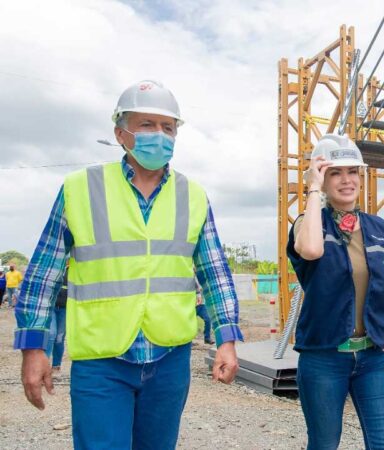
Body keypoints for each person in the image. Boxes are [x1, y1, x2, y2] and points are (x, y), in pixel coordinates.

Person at [14, 80, 242, 450]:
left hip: (169, 359)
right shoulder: (81, 188)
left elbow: (215, 273)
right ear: (121, 134)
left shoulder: (193, 195)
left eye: (168, 127)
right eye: (147, 125)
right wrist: (33, 347)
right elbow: (43, 274)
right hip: (102, 360)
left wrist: (227, 340)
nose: (159, 135)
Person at [287, 133, 384, 450]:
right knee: (325, 444)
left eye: (352, 171)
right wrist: (313, 190)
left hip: (374, 355)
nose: (346, 180)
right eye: (335, 173)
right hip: (324, 356)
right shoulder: (307, 224)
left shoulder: (377, 227)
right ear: (322, 179)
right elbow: (311, 250)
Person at [46, 271, 68, 376]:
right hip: (51, 307)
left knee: (59, 338)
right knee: (51, 334)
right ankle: (44, 366)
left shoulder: (72, 270)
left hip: (66, 308)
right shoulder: (53, 268)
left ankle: (56, 366)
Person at [196, 279, 213, 345]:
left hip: (201, 305)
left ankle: (207, 338)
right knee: (189, 323)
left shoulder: (203, 278)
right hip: (191, 305)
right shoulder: (191, 277)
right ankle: (188, 341)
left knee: (208, 319)